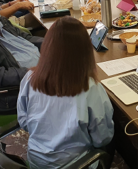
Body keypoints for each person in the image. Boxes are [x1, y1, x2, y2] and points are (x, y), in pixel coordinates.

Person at [18, 16, 114, 169]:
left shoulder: (30, 78)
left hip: (37, 161)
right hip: (77, 164)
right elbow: (102, 138)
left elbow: (23, 121)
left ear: (48, 46)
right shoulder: (90, 88)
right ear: (85, 50)